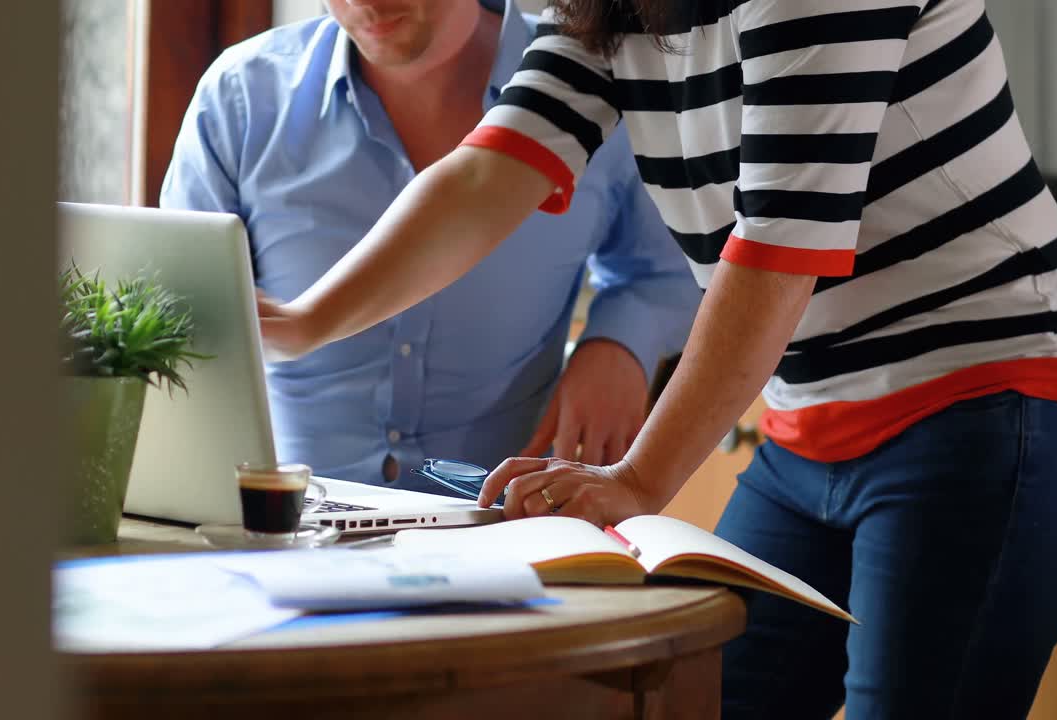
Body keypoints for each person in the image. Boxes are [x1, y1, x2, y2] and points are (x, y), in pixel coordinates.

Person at [256, 0, 1057, 717]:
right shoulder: (613, 8)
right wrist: (304, 320)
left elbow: (776, 249)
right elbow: (488, 174)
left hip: (988, 397)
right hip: (811, 423)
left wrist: (639, 478)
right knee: (694, 699)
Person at [161, 0, 700, 491]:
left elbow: (667, 268)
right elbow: (177, 313)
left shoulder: (594, 79)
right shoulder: (239, 99)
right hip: (282, 520)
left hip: (504, 522)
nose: (362, 3)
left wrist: (621, 346)